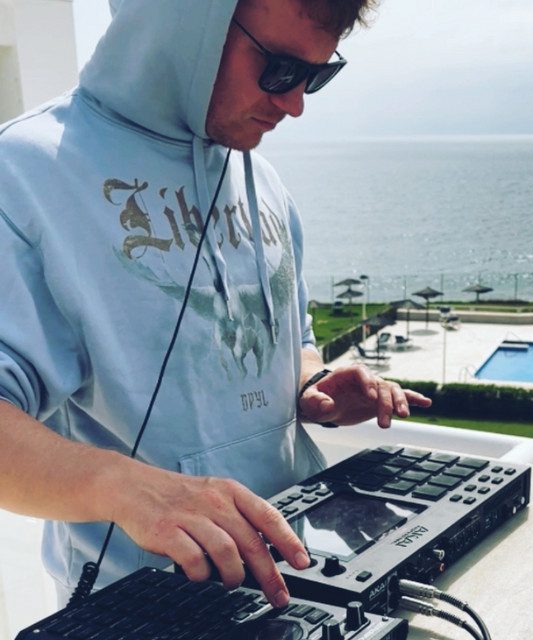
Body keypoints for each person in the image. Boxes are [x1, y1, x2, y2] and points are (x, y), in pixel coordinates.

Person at [0, 0, 431, 610]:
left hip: (301, 578)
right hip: (145, 605)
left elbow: (292, 339)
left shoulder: (263, 179)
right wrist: (126, 486)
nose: (294, 104)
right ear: (186, 20)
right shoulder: (24, 174)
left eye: (316, 75)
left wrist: (314, 383)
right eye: (281, 69)